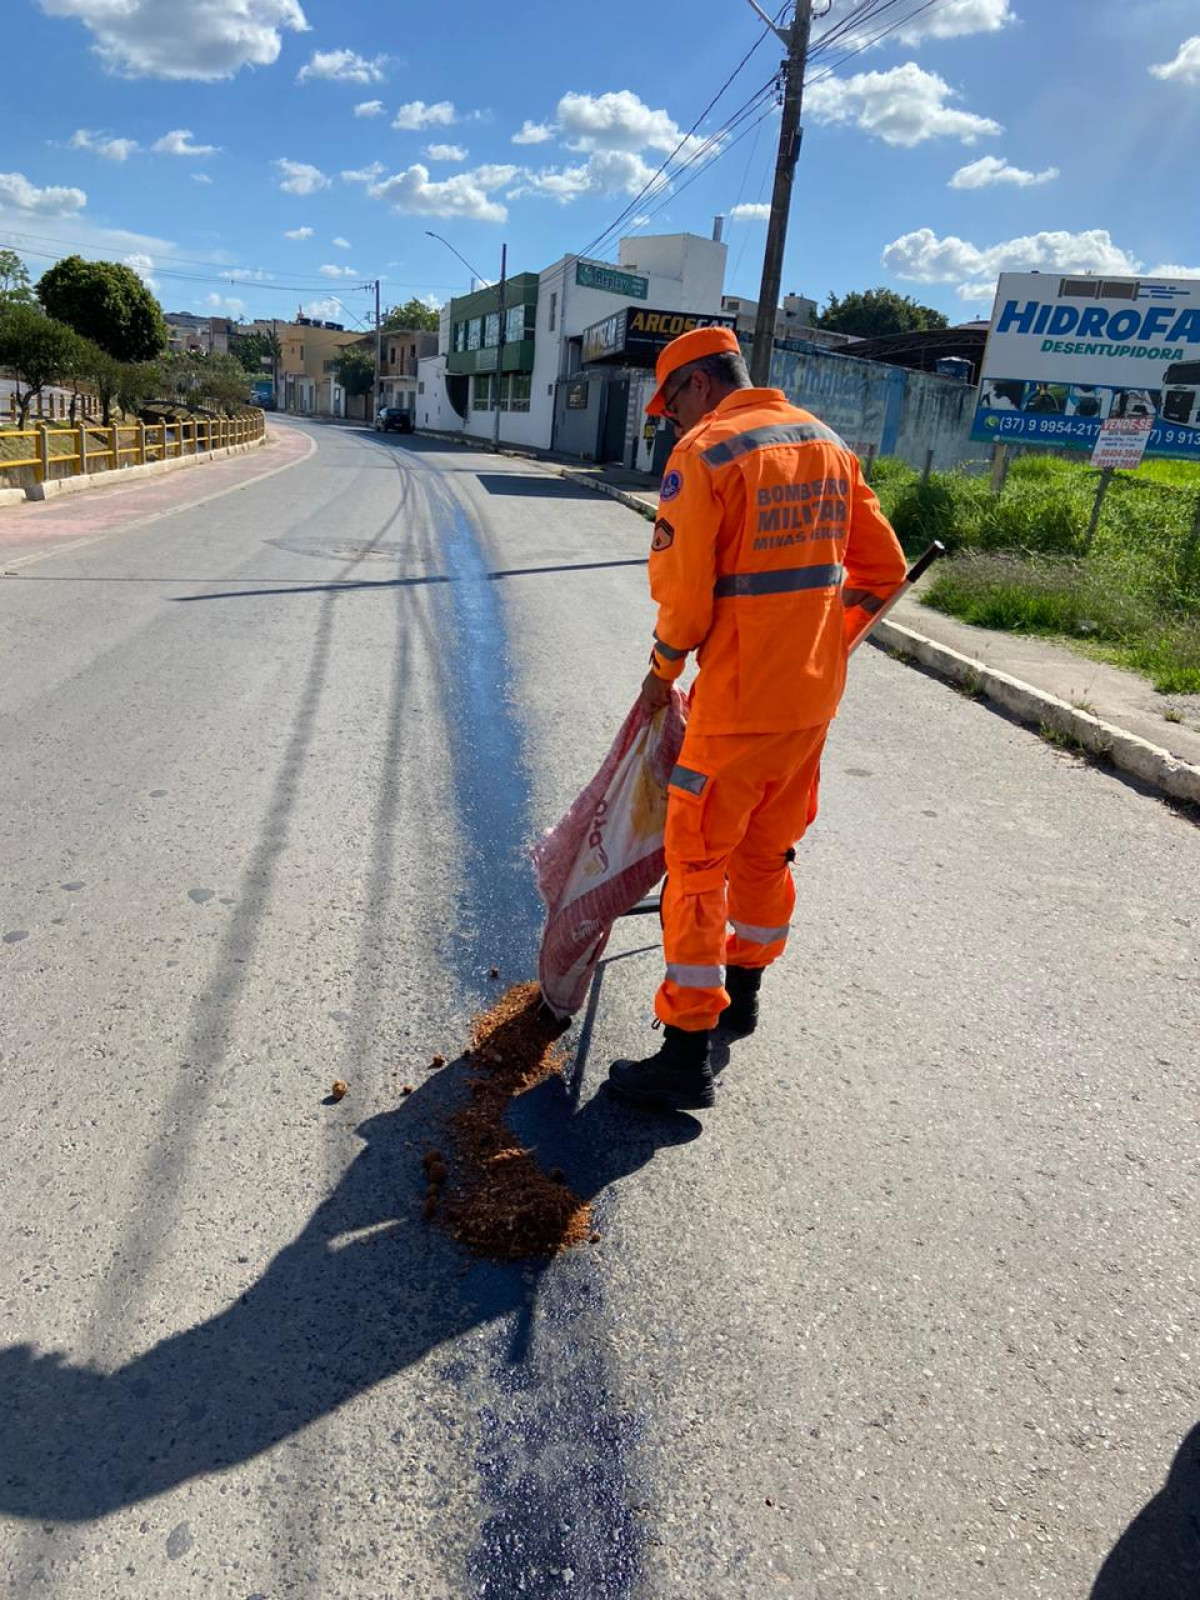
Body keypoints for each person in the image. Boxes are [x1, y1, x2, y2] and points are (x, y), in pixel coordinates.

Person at [608, 326, 907, 1112]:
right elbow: (886, 570)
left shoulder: (705, 454)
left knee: (698, 867)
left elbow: (686, 595)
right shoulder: (829, 444)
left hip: (737, 708)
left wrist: (659, 674)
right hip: (809, 706)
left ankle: (683, 1058)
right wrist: (826, 644)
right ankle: (742, 995)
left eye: (670, 408)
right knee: (765, 856)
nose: (671, 424)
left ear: (697, 387)